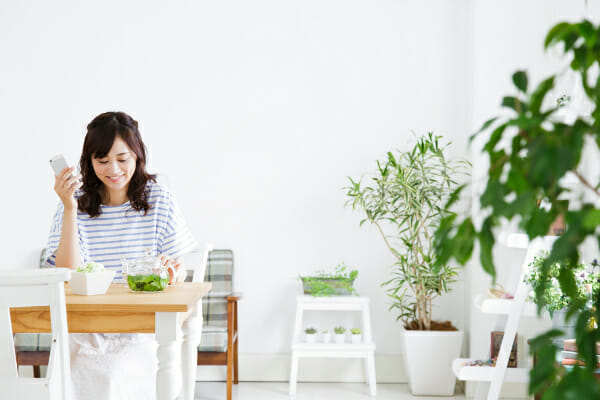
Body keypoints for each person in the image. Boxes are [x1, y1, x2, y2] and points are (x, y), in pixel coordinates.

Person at [45, 111, 198, 400]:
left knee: (114, 372)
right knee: (71, 370)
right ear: (89, 163)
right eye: (102, 161)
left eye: (122, 159)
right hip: (88, 327)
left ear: (138, 156)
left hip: (142, 327)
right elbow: (66, 275)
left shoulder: (159, 200)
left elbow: (179, 272)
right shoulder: (73, 204)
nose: (113, 169)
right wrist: (68, 208)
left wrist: (172, 272)